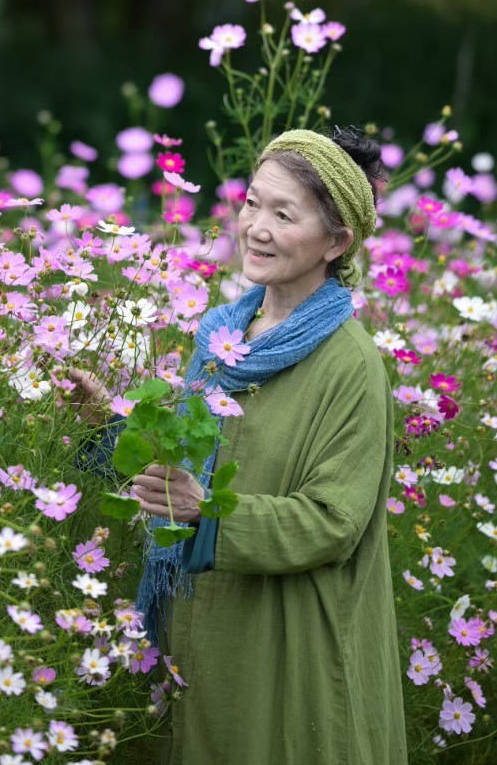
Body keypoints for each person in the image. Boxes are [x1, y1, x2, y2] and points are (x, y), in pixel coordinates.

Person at [69, 127, 408, 765]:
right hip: (194, 619)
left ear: (338, 242)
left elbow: (334, 521)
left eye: (284, 214)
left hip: (284, 638)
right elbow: (186, 465)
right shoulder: (224, 336)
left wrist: (208, 513)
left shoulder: (351, 365)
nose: (256, 227)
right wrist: (102, 426)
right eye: (253, 203)